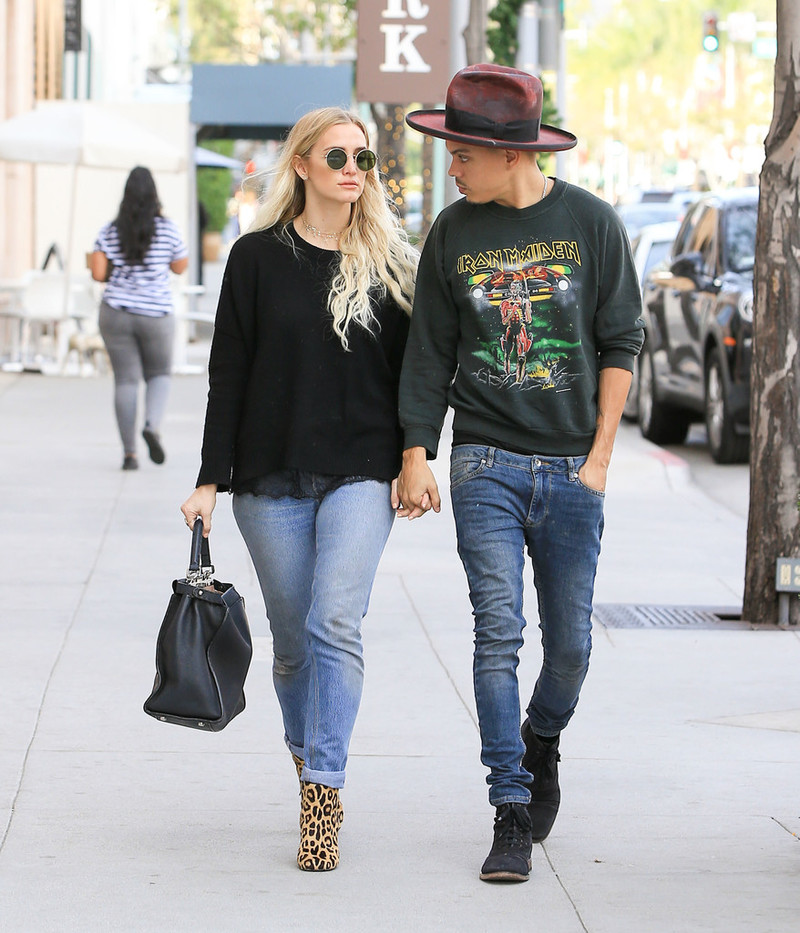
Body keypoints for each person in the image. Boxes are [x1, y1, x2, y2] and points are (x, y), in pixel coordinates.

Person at [395, 64, 644, 883]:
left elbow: (620, 344)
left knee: (569, 647)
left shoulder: (591, 224)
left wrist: (600, 457)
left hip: (575, 466)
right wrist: (416, 451)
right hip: (487, 461)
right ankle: (508, 805)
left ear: (506, 155)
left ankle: (541, 741)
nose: (451, 168)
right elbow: (428, 351)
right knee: (497, 632)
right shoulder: (452, 233)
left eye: (459, 154)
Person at [180, 107, 417, 872]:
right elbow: (229, 375)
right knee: (291, 643)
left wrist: (418, 455)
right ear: (304, 167)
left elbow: (416, 374)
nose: (354, 168)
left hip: (362, 470)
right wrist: (208, 480)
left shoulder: (388, 262)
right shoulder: (254, 260)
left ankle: (323, 789)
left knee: (335, 622)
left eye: (366, 158)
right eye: (338, 155)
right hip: (270, 477)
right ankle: (308, 750)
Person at [90, 166, 188, 470]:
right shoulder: (168, 230)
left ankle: (130, 454)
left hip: (117, 313)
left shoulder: (109, 230)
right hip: (156, 314)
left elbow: (97, 273)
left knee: (126, 381)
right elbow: (180, 267)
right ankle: (152, 425)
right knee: (159, 374)